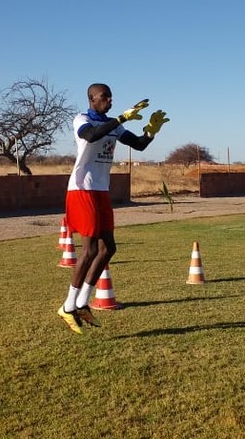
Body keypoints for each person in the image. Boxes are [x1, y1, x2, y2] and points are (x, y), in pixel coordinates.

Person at [57, 83, 169, 334]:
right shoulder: (82, 119)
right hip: (82, 189)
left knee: (109, 248)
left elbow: (138, 145)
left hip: (101, 189)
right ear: (92, 99)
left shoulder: (114, 125)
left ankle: (83, 302)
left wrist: (151, 132)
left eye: (110, 96)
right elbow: (91, 136)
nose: (109, 100)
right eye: (104, 97)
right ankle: (67, 307)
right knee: (89, 250)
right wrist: (120, 118)